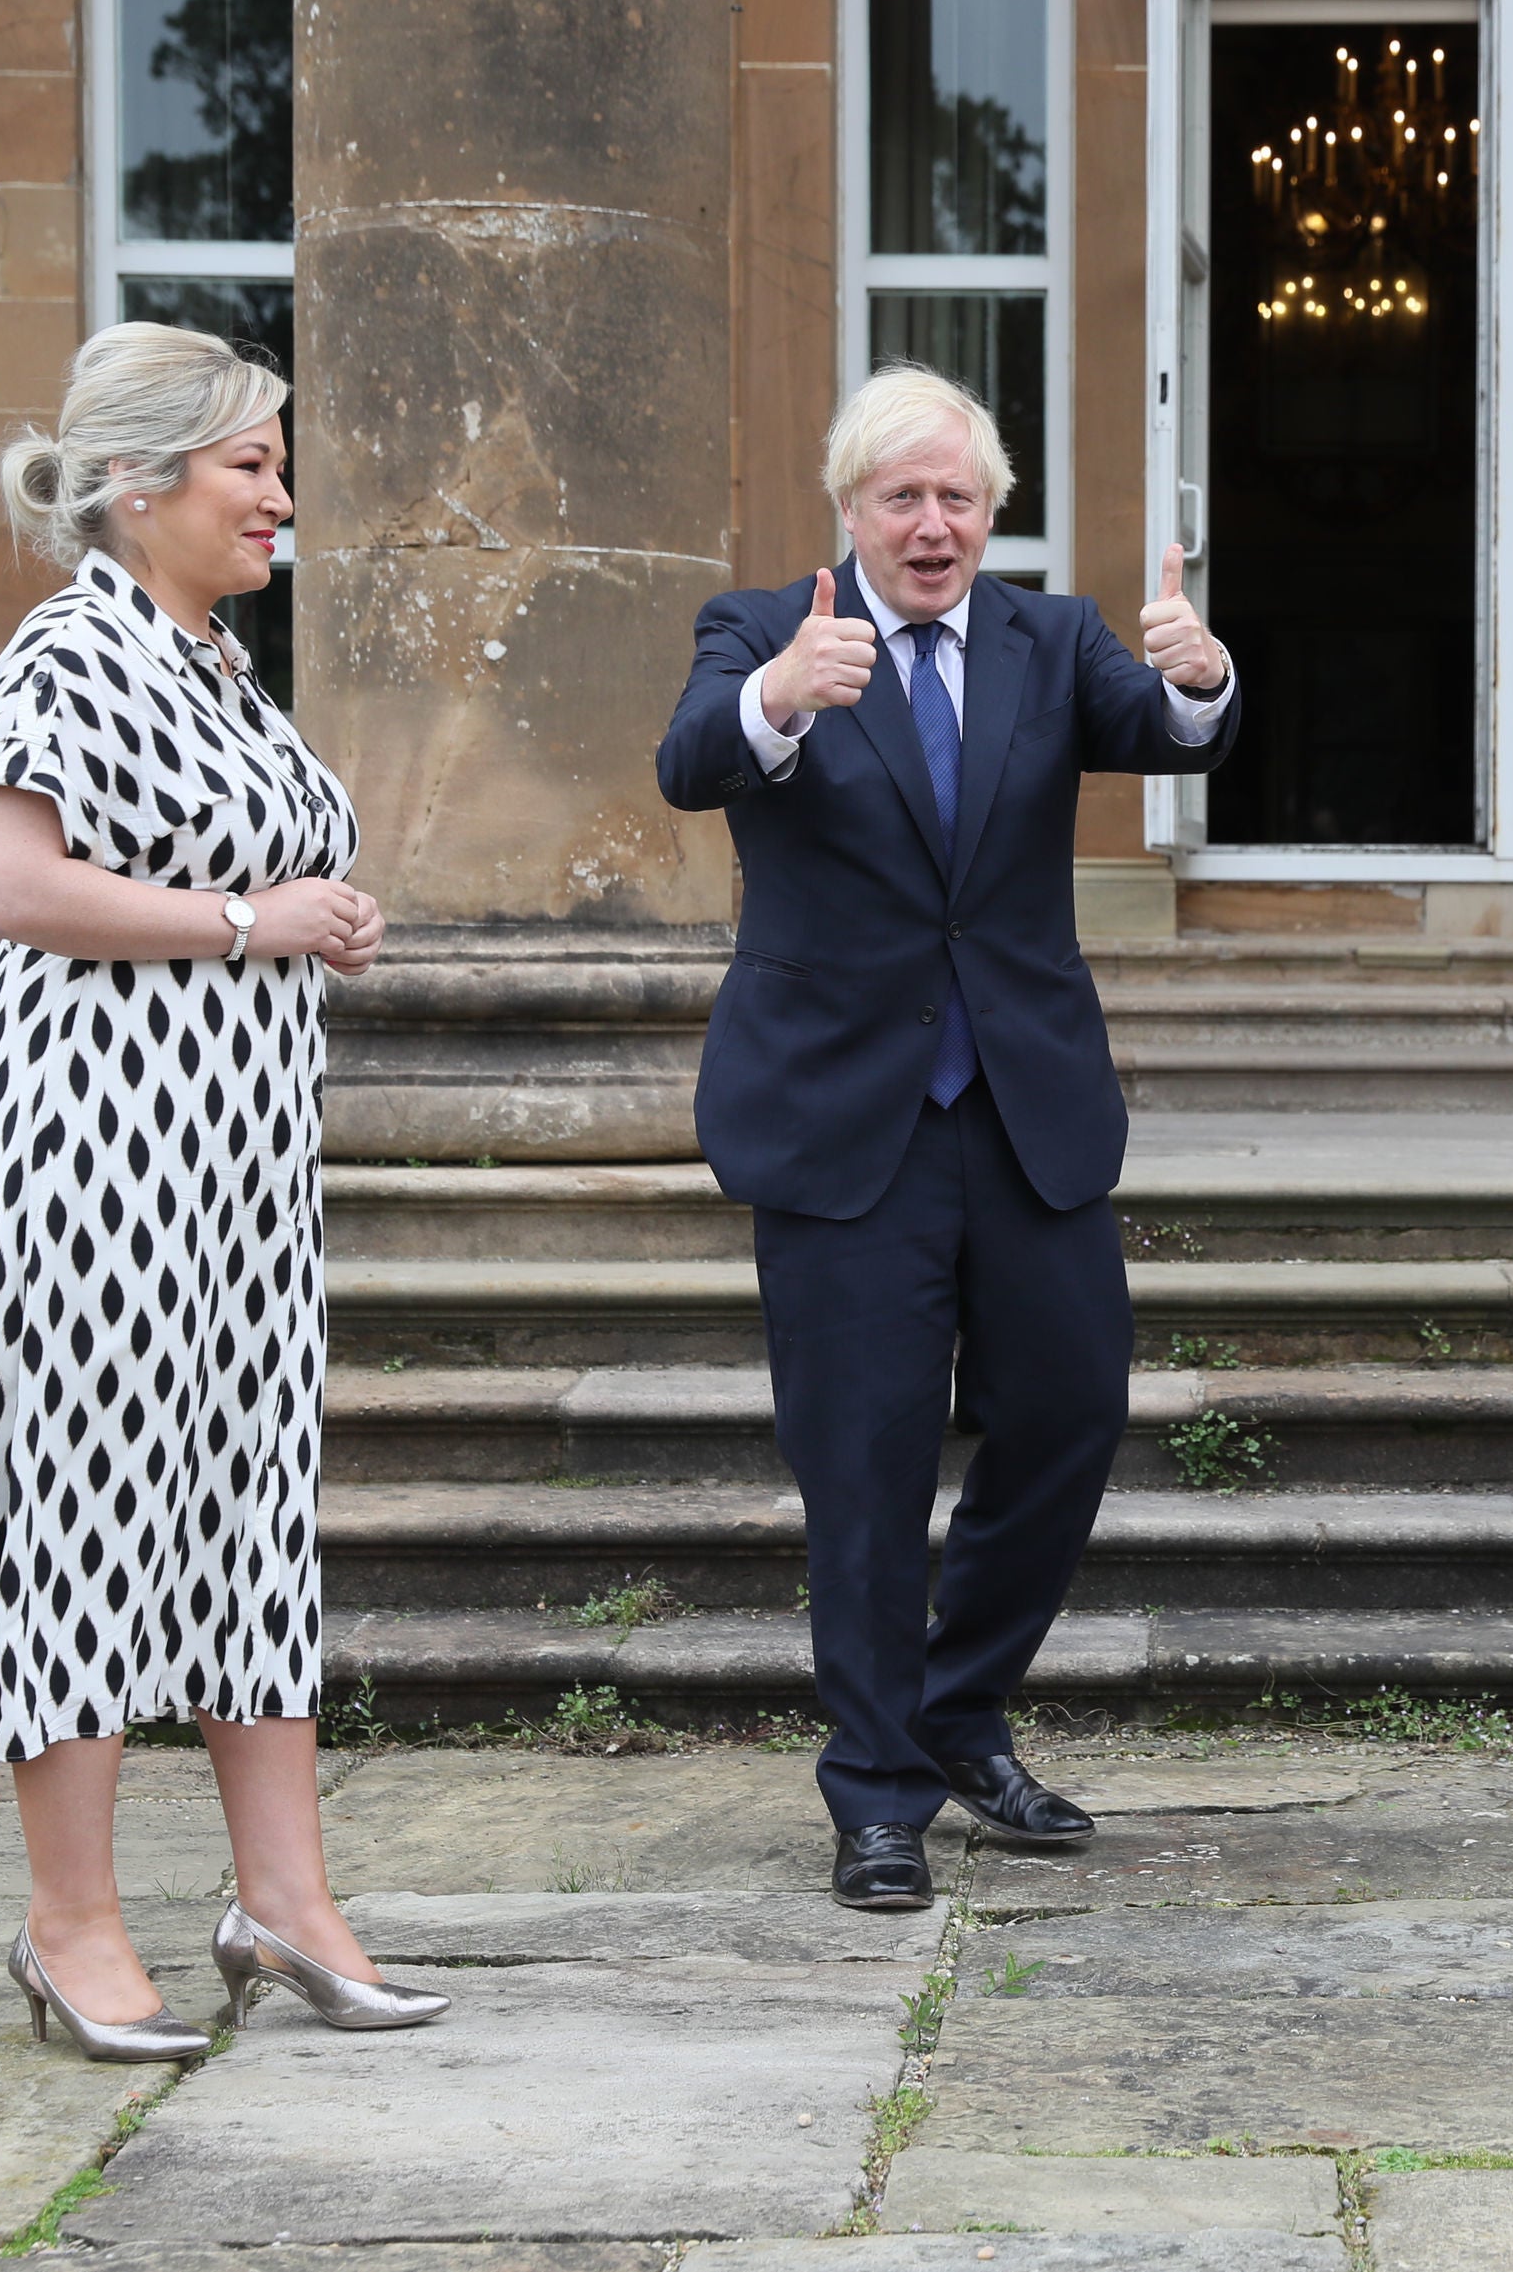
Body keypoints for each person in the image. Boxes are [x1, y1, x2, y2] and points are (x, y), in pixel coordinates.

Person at [655, 364, 1240, 1912]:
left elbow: (1165, 730)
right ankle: (878, 1795)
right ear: (849, 506)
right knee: (863, 1462)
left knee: (1072, 1408)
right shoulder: (762, 627)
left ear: (994, 513)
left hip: (1022, 1106)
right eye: (903, 497)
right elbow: (691, 757)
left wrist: (1197, 675)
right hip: (845, 1119)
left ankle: (957, 1709)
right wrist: (778, 700)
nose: (934, 526)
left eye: (960, 499)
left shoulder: (1050, 637)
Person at [0, 321, 448, 2058]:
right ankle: (70, 1925)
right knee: (83, 1517)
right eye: (252, 466)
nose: (280, 497)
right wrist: (252, 921)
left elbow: (251, 867)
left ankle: (282, 1899)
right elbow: (13, 882)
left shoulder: (214, 662)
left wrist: (323, 914)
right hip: (88, 1169)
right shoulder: (69, 646)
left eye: (278, 466)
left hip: (236, 1178)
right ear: (140, 483)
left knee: (249, 1525)